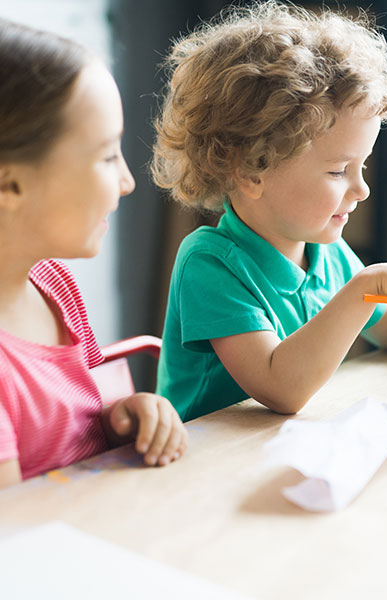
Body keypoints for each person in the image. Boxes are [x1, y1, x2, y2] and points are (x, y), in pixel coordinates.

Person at [151, 1, 387, 420]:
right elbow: (280, 387)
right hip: (201, 469)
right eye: (339, 170)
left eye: (361, 166)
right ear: (252, 169)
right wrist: (362, 287)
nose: (361, 189)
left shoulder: (326, 254)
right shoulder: (210, 264)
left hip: (271, 455)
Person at [0, 19, 188, 488]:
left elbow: (76, 426)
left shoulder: (54, 285)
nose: (127, 181)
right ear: (9, 184)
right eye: (107, 156)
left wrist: (122, 415)